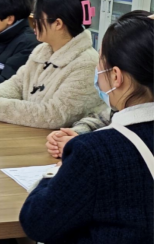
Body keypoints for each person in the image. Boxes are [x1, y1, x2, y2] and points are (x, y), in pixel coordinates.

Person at [20, 11, 154, 244]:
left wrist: (56, 172)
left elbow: (37, 222)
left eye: (101, 63)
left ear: (116, 76)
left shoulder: (95, 152)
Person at [0, 0, 105, 129]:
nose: (33, 23)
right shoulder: (42, 50)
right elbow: (19, 83)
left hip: (58, 139)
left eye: (38, 18)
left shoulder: (86, 63)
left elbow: (55, 115)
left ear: (58, 24)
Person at [45, 10, 154, 159]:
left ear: (116, 76)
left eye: (101, 59)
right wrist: (77, 135)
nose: (97, 67)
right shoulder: (127, 107)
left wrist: (84, 148)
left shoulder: (101, 153)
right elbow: (99, 119)